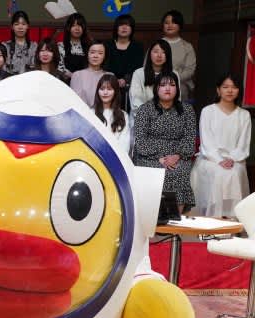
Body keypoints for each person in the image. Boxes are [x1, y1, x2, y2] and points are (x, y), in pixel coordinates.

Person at [133, 71, 196, 213]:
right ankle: (152, 218)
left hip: (178, 155)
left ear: (177, 89)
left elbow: (189, 138)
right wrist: (159, 158)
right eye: (163, 85)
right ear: (156, 88)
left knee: (178, 172)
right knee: (158, 172)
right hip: (149, 156)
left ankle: (175, 219)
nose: (168, 88)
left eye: (172, 85)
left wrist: (177, 156)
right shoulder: (145, 109)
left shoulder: (187, 110)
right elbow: (140, 140)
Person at [191, 74, 251, 218]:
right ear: (218, 90)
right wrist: (219, 160)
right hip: (210, 158)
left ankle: (231, 220)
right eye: (225, 87)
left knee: (234, 173)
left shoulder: (244, 115)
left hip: (235, 159)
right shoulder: (208, 111)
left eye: (234, 87)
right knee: (219, 173)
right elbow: (206, 142)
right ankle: (213, 218)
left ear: (239, 91)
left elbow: (243, 144)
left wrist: (232, 159)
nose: (230, 90)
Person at [129, 39, 179, 124]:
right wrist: (152, 118)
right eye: (156, 51)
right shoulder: (139, 73)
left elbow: (177, 100)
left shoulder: (174, 74)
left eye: (163, 52)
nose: (159, 55)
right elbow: (135, 102)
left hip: (167, 120)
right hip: (142, 120)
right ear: (149, 53)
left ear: (168, 55)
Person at [104, 14, 143, 111]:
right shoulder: (107, 45)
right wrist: (113, 79)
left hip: (131, 86)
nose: (124, 27)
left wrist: (126, 79)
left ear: (132, 29)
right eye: (121, 25)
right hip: (108, 83)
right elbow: (103, 65)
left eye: (128, 25)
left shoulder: (137, 47)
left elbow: (138, 67)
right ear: (116, 28)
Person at [161, 9, 196, 101]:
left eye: (173, 22)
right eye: (166, 23)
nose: (169, 25)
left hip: (180, 85)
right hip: (157, 84)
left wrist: (172, 80)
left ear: (180, 25)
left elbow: (190, 70)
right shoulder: (156, 45)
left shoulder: (187, 46)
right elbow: (147, 67)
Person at [93, 73, 129, 152]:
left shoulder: (123, 115)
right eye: (102, 89)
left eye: (109, 89)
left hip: (116, 157)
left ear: (115, 91)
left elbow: (125, 144)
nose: (105, 92)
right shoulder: (90, 113)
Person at [70, 40, 107, 107]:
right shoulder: (78, 75)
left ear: (104, 56)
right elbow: (75, 101)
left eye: (100, 53)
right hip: (83, 112)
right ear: (87, 54)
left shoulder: (109, 75)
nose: (95, 56)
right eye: (92, 52)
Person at [2, 10, 37, 75]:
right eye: (16, 24)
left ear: (28, 26)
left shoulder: (34, 47)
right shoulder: (5, 46)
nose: (20, 27)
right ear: (12, 27)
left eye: (23, 24)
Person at [57, 12, 89, 80]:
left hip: (85, 81)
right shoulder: (61, 46)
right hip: (66, 82)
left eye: (80, 25)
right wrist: (74, 76)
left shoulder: (89, 47)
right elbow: (59, 68)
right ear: (68, 28)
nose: (77, 28)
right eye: (74, 25)